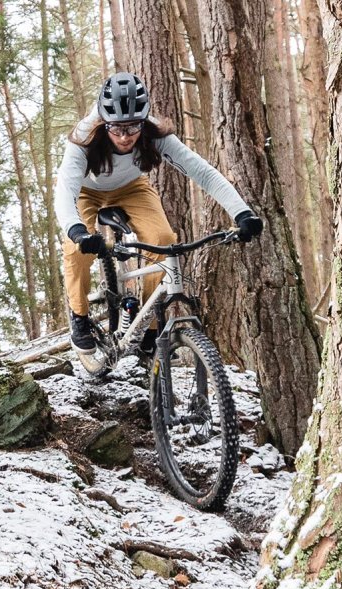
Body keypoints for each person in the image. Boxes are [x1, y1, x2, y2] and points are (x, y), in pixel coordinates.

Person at [53, 72, 262, 372]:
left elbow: (202, 172)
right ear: (103, 121)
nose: (125, 136)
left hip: (133, 188)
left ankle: (149, 329)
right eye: (116, 128)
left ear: (144, 119)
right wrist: (77, 232)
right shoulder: (84, 138)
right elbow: (65, 193)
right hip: (86, 191)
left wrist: (241, 213)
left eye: (133, 127)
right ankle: (79, 318)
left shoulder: (156, 134)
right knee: (76, 251)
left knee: (163, 241)